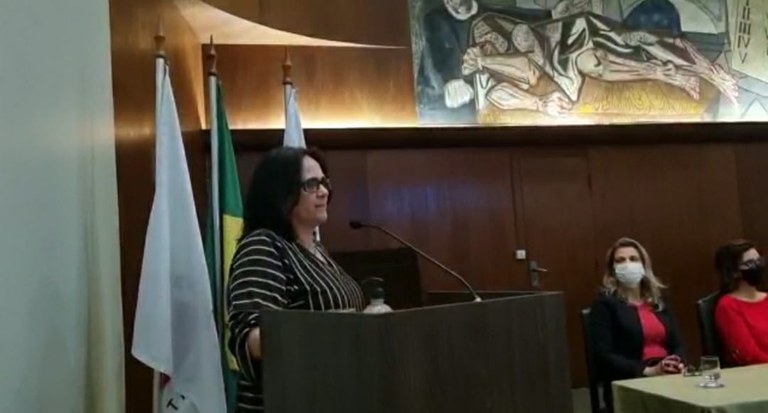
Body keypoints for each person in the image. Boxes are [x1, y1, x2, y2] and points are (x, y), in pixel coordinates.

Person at [226, 147, 366, 412]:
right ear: (281, 193)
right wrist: (334, 328)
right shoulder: (262, 246)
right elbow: (251, 339)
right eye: (311, 184)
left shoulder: (317, 250)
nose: (323, 191)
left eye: (324, 182)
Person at [590, 237, 685, 412]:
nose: (628, 264)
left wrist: (676, 362)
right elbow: (604, 355)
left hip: (669, 378)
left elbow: (677, 343)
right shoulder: (605, 305)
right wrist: (647, 370)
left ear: (644, 265)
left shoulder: (658, 301)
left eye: (633, 259)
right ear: (612, 270)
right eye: (620, 260)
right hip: (631, 382)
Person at [714, 240, 768, 366]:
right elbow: (748, 355)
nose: (758, 265)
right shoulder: (727, 306)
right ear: (734, 272)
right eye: (750, 263)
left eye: (759, 260)